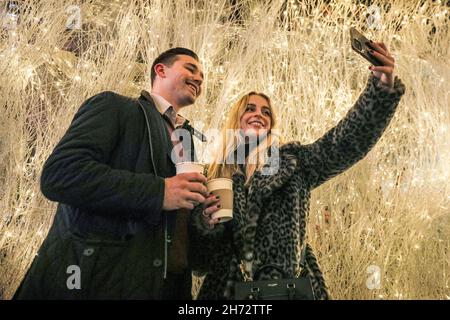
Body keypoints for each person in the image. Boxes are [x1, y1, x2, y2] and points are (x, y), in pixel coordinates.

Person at [189, 41, 405, 299]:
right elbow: (200, 264)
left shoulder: (294, 163)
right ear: (236, 117)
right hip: (227, 291)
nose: (259, 114)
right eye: (250, 108)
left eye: (266, 112)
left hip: (289, 289)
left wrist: (381, 89)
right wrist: (205, 223)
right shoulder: (212, 175)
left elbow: (344, 142)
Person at [14, 47, 218, 299]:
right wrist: (160, 191)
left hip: (168, 287)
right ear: (161, 70)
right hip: (98, 282)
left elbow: (174, 220)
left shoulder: (187, 141)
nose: (199, 78)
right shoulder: (115, 106)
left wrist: (202, 218)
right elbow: (61, 173)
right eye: (190, 68)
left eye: (202, 75)